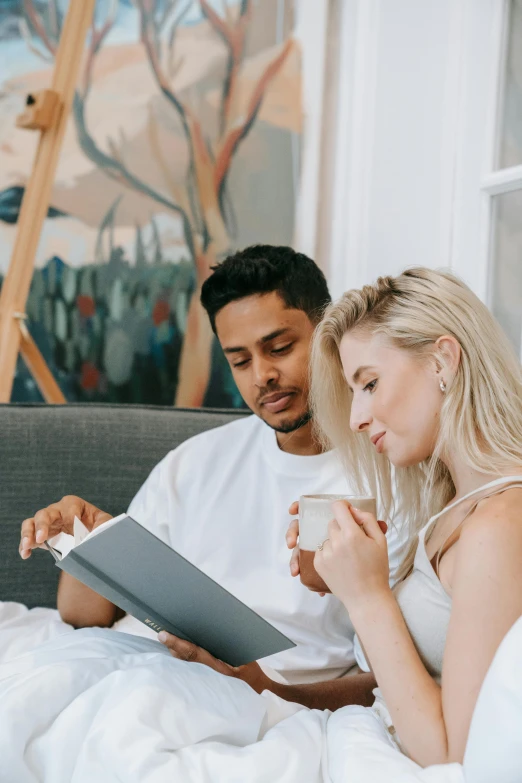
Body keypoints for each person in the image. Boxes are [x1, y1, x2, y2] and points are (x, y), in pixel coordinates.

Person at [113, 265, 521, 768]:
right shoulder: (454, 504)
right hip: (360, 729)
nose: (355, 418)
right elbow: (408, 684)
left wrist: (366, 596)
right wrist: (268, 687)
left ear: (443, 360)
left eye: (369, 384)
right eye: (353, 392)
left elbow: (451, 757)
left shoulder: (499, 526)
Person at [19, 245, 404, 711]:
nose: (263, 375)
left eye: (279, 348)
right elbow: (84, 616)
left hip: (250, 700)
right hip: (131, 668)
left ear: (328, 334)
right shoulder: (195, 461)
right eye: (239, 361)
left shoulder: (390, 475)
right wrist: (82, 541)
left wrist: (266, 690)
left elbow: (388, 679)